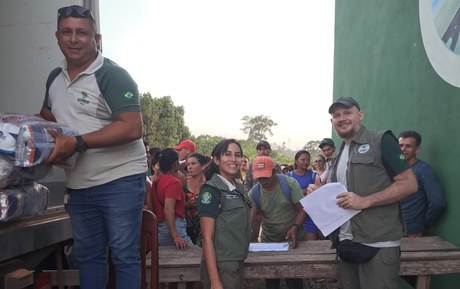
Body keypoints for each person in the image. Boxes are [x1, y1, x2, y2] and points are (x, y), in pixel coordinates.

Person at [38, 5, 147, 289]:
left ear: (95, 39)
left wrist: (78, 142)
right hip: (79, 183)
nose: (74, 39)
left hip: (119, 179)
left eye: (82, 33)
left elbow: (132, 127)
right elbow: (48, 116)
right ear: (57, 36)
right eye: (67, 32)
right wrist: (20, 130)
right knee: (88, 257)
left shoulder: (112, 75)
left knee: (123, 256)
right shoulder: (55, 78)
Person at [327, 96, 418, 289]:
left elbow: (409, 184)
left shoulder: (382, 140)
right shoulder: (338, 154)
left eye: (347, 113)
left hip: (379, 246)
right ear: (332, 121)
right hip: (347, 244)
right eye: (336, 115)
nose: (342, 118)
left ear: (360, 115)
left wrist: (365, 201)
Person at [197, 139, 251, 289]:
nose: (234, 159)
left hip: (236, 261)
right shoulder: (211, 191)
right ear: (216, 159)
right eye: (227, 154)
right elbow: (207, 238)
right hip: (222, 266)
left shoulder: (235, 188)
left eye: (238, 155)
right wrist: (215, 281)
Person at [248, 156, 307, 289]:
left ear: (274, 171)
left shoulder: (289, 184)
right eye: (259, 178)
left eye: (266, 177)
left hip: (293, 240)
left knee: (294, 278)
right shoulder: (254, 193)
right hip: (270, 241)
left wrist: (295, 227)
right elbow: (249, 220)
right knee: (271, 279)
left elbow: (302, 210)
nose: (263, 181)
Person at [398, 130, 446, 237]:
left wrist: (424, 224)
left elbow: (438, 203)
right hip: (394, 229)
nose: (403, 149)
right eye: (400, 145)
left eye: (408, 146)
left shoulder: (423, 170)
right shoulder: (396, 169)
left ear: (417, 149)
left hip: (411, 232)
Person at [152, 148, 193, 248]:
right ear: (175, 164)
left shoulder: (157, 180)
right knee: (194, 255)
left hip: (161, 226)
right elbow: (168, 209)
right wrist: (176, 236)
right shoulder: (173, 182)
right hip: (173, 226)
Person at [287, 150, 318, 240]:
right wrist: (303, 191)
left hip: (310, 215)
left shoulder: (314, 176)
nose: (306, 162)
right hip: (294, 215)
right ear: (296, 161)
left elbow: (317, 193)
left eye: (308, 160)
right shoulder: (289, 177)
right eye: (303, 160)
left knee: (310, 244)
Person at [185, 152, 211, 244]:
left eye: (193, 164)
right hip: (185, 229)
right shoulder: (182, 182)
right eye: (188, 164)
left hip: (203, 229)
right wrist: (186, 205)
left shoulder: (208, 185)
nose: (189, 167)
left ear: (202, 166)